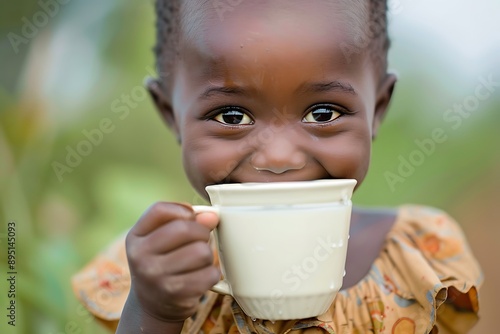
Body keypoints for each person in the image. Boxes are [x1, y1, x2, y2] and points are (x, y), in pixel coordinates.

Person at [72, 0, 483, 333]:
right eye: (231, 117)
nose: (279, 157)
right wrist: (155, 312)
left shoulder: (415, 256)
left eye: (323, 113)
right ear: (170, 114)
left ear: (377, 109)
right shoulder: (154, 268)